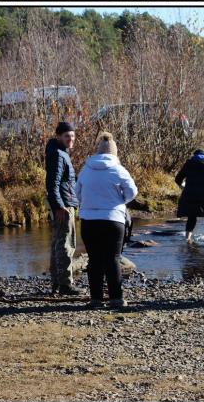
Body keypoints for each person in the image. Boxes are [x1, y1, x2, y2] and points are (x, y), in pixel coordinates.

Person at [76, 132, 137, 309]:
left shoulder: (86, 169)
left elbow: (76, 193)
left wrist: (89, 203)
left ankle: (95, 299)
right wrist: (119, 201)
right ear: (114, 152)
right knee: (113, 259)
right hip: (113, 220)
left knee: (94, 260)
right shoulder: (118, 169)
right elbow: (132, 192)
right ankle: (116, 299)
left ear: (98, 151)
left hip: (89, 221)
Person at [45, 120, 79, 296]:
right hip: (63, 205)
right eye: (67, 136)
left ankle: (57, 283)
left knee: (58, 242)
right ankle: (65, 284)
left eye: (72, 136)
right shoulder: (58, 154)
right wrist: (59, 206)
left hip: (63, 202)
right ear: (58, 136)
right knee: (66, 244)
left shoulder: (59, 152)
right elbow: (53, 184)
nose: (70, 139)